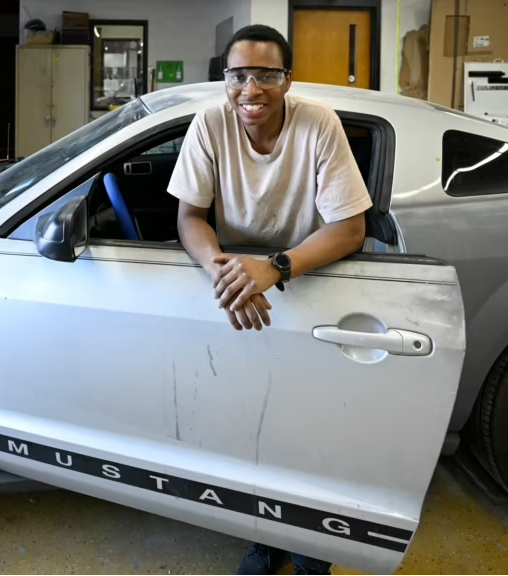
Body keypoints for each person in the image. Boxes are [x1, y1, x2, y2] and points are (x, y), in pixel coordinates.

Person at [165, 23, 374, 576]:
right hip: (241, 293)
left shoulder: (318, 125)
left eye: (265, 75)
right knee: (250, 427)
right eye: (238, 76)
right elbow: (190, 217)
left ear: (287, 79)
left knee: (309, 433)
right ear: (225, 77)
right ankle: (263, 537)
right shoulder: (211, 121)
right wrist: (223, 272)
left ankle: (312, 554)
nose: (250, 90)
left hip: (310, 282)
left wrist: (274, 268)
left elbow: (350, 229)